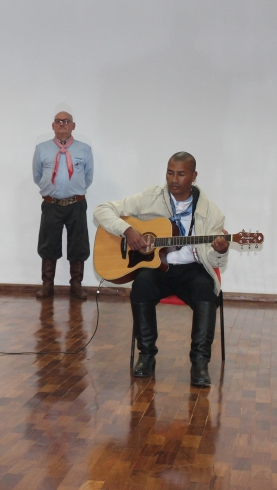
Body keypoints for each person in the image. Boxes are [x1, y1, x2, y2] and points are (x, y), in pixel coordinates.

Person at [93, 152, 229, 386]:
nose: (174, 179)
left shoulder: (211, 213)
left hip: (192, 269)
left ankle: (200, 363)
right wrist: (127, 230)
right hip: (157, 269)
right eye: (170, 173)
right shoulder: (151, 197)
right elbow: (102, 209)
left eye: (181, 174)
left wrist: (220, 250)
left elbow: (216, 262)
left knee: (206, 293)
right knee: (141, 286)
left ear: (194, 176)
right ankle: (146, 356)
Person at [32, 111, 94, 300]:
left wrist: (73, 189)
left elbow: (88, 177)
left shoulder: (85, 149)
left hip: (76, 204)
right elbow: (37, 176)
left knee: (78, 245)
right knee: (48, 244)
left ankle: (76, 285)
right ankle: (47, 285)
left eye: (66, 121)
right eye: (58, 121)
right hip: (51, 204)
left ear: (73, 126)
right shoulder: (42, 149)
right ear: (53, 125)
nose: (62, 124)